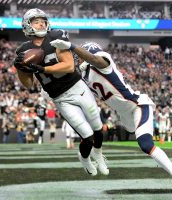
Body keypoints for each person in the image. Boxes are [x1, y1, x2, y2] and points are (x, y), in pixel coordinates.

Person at [50, 39, 172, 197]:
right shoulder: (84, 76)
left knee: (145, 144)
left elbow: (95, 59)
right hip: (124, 115)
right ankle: (163, 163)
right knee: (142, 142)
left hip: (138, 105)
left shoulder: (103, 62)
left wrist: (71, 46)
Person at [13, 8, 108, 176]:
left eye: (43, 20)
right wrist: (20, 69)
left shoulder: (55, 36)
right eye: (36, 21)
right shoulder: (23, 50)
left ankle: (99, 155)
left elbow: (69, 66)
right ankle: (85, 158)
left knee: (98, 128)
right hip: (60, 98)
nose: (41, 23)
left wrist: (43, 68)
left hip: (78, 88)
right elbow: (28, 84)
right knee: (87, 136)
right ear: (27, 25)